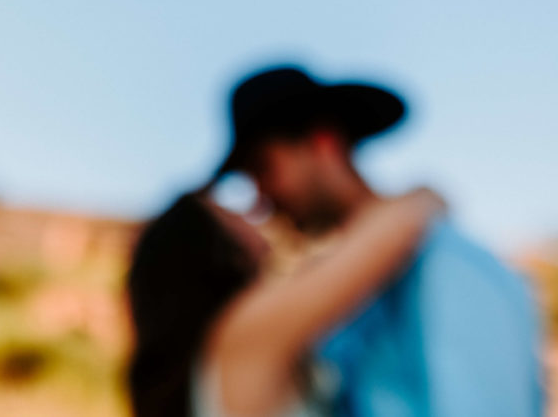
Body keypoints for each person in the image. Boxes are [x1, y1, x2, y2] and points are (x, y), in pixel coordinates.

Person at [207, 64, 545, 416]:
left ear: (324, 143)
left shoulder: (447, 263)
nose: (260, 198)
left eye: (264, 168)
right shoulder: (336, 294)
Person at [127, 185, 446, 417]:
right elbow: (398, 226)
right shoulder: (243, 332)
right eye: (231, 214)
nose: (253, 215)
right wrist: (427, 194)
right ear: (214, 250)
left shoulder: (225, 350)